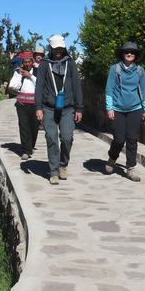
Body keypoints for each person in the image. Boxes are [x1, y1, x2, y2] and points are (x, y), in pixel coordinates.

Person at [35, 35, 83, 185]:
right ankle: (54, 171)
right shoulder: (44, 64)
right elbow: (39, 86)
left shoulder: (70, 63)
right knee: (51, 137)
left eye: (61, 47)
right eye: (55, 48)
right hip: (48, 107)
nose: (58, 50)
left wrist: (79, 107)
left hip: (67, 108)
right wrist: (38, 107)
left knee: (67, 137)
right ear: (51, 47)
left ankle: (63, 164)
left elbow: (76, 85)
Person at [104, 42, 145, 182]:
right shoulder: (115, 69)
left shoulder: (140, 71)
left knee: (132, 139)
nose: (129, 54)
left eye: (132, 52)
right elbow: (109, 89)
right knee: (119, 139)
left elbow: (144, 91)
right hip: (117, 109)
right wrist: (109, 108)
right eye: (126, 52)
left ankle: (130, 168)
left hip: (135, 109)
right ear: (122, 54)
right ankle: (112, 158)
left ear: (136, 55)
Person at [8, 52, 39, 161]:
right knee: (24, 126)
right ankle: (26, 151)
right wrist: (18, 75)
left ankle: (31, 146)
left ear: (32, 62)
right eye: (25, 62)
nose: (27, 64)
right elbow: (13, 86)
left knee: (34, 127)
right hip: (21, 103)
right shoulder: (18, 72)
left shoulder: (38, 72)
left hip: (36, 104)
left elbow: (42, 85)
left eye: (29, 62)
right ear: (22, 63)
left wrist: (30, 76)